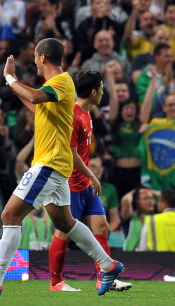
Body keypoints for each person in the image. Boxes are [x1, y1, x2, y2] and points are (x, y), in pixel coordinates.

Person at [0, 38, 124, 296]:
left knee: (9, 216)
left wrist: (9, 78)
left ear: (42, 58)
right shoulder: (58, 87)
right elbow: (37, 104)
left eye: (36, 57)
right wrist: (15, 89)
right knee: (66, 222)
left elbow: (36, 96)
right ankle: (108, 264)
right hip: (58, 167)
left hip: (48, 164)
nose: (35, 62)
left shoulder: (60, 81)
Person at [48, 70, 131, 292]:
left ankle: (105, 278)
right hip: (70, 185)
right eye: (102, 89)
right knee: (63, 232)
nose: (103, 93)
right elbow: (71, 155)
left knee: (101, 226)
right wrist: (92, 174)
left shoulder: (87, 113)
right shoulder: (73, 116)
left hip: (84, 184)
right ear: (93, 92)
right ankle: (56, 282)